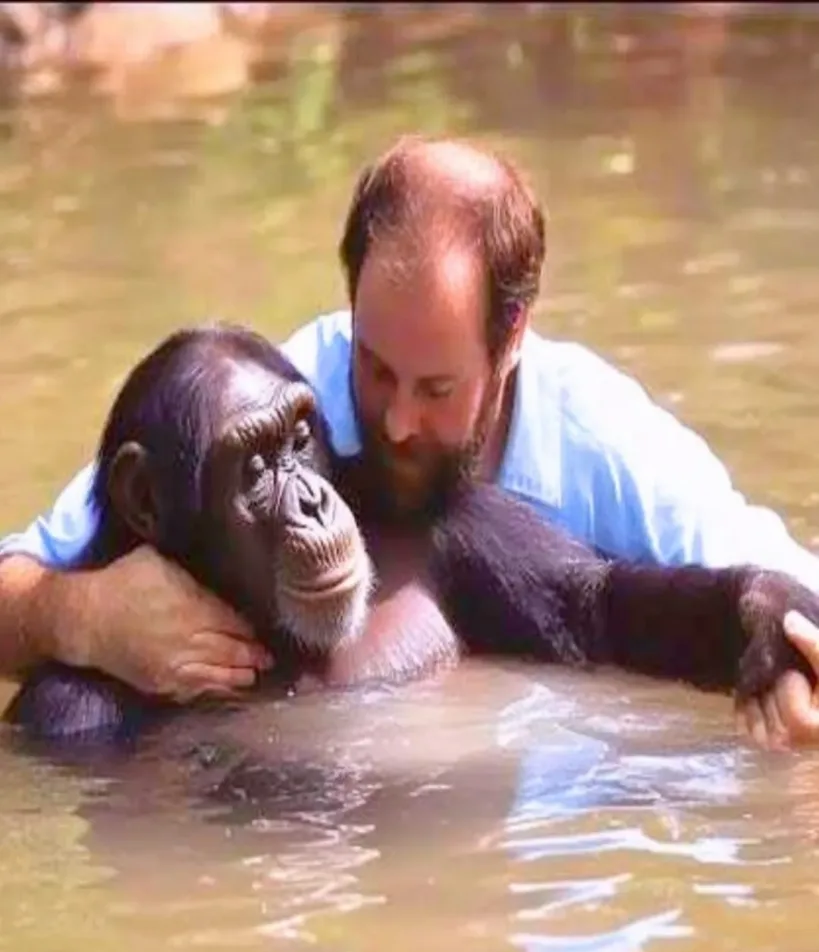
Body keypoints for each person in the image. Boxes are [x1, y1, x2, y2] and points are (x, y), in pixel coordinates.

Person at [2, 134, 819, 750]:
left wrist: (765, 625)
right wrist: (79, 613)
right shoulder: (275, 395)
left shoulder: (580, 456)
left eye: (435, 389)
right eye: (374, 370)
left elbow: (625, 607)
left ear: (511, 343)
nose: (392, 424)